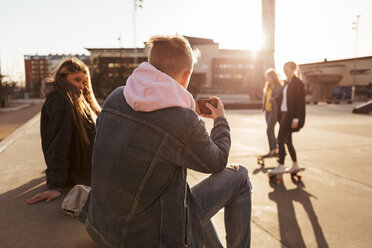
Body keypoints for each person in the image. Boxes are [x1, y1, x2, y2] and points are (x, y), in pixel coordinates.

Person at [79, 35, 252, 248]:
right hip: (151, 239)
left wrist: (187, 111)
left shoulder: (116, 97)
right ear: (186, 75)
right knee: (240, 176)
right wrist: (220, 121)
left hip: (102, 228)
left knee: (181, 188)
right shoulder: (181, 120)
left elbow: (150, 116)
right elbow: (216, 161)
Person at [27, 58, 101, 204]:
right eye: (77, 80)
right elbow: (58, 142)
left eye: (84, 82)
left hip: (84, 172)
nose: (81, 86)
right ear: (62, 78)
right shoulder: (60, 101)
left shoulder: (74, 99)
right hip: (79, 176)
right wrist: (55, 184)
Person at [269, 61, 306, 174]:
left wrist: (296, 119)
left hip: (291, 116)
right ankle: (295, 164)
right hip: (284, 114)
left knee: (280, 138)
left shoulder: (298, 83)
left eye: (287, 70)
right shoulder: (286, 83)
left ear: (293, 70)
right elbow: (282, 98)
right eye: (284, 70)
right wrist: (275, 99)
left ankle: (281, 164)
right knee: (288, 141)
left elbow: (300, 103)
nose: (285, 72)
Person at [262, 69, 283, 156]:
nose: (267, 79)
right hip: (267, 111)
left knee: (269, 130)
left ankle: (273, 150)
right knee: (271, 130)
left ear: (273, 77)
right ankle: (273, 150)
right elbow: (266, 98)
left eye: (269, 77)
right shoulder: (268, 86)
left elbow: (279, 98)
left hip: (274, 111)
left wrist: (274, 99)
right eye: (266, 77)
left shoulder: (278, 86)